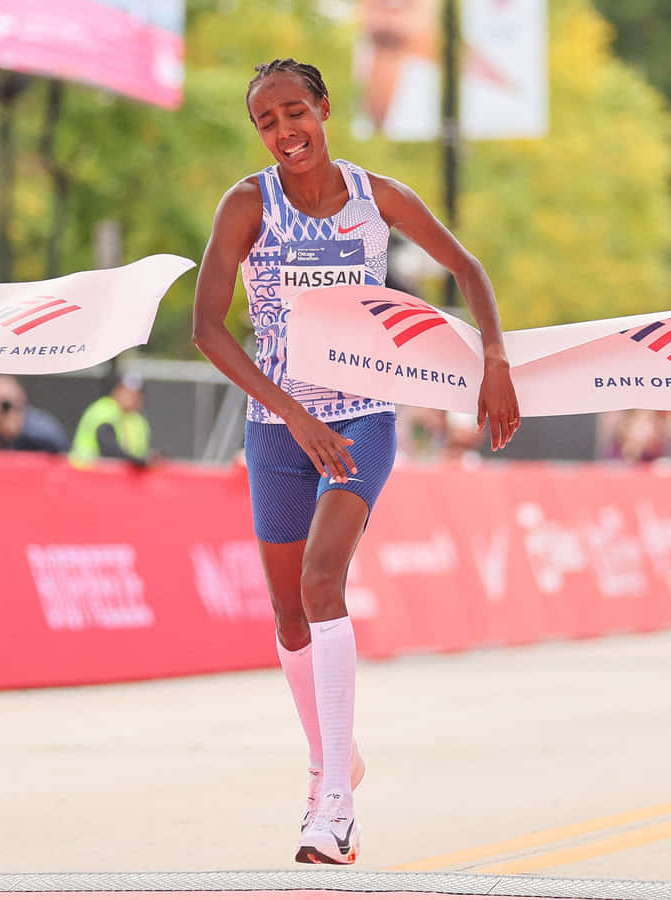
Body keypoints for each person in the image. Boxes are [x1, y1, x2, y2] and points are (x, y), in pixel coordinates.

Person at [191, 58, 519, 866]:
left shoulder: (378, 199)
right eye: (266, 123)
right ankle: (329, 757)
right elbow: (207, 328)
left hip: (363, 418)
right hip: (279, 427)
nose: (283, 134)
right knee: (288, 616)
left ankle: (334, 807)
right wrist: (296, 417)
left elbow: (467, 268)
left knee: (320, 578)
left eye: (294, 113)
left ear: (324, 109)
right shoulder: (248, 204)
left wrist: (496, 357)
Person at [69, 372, 153, 467]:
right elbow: (108, 447)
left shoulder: (137, 420)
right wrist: (138, 461)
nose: (130, 397)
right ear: (116, 391)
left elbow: (140, 452)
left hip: (120, 477)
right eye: (125, 391)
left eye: (135, 393)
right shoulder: (104, 409)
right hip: (86, 472)